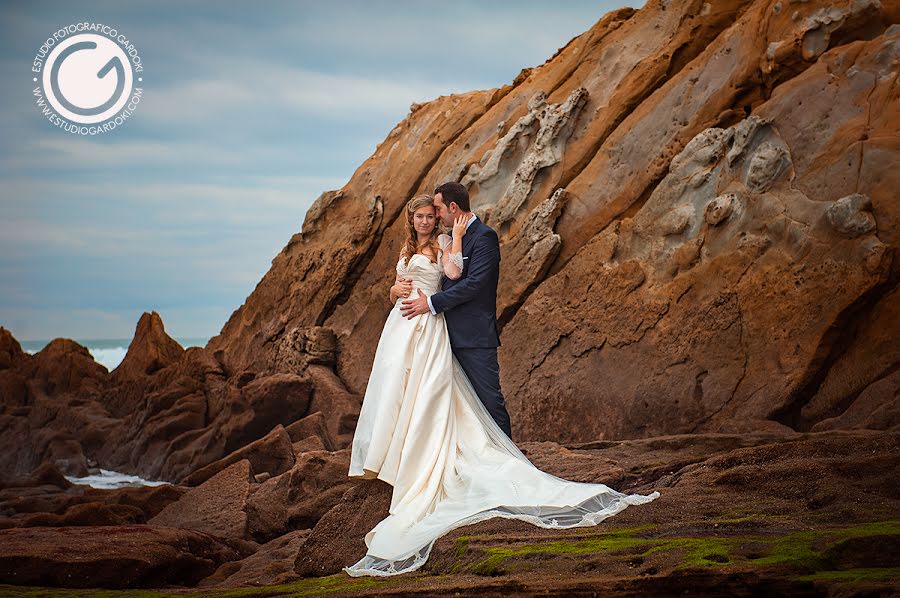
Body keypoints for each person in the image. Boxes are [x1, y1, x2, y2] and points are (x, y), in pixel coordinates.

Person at [344, 188, 660, 577]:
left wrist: (431, 300)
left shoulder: (480, 238)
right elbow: (401, 282)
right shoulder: (416, 246)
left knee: (486, 403)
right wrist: (397, 290)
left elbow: (470, 284)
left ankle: (508, 462)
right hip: (421, 330)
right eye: (424, 215)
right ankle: (405, 455)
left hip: (462, 332)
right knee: (418, 395)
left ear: (450, 209)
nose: (432, 218)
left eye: (436, 211)